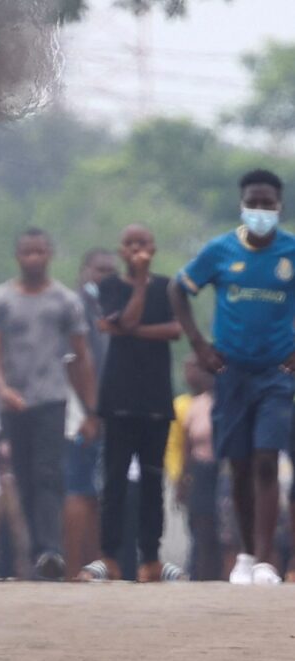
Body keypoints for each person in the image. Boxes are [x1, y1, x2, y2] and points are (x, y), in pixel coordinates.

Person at [169, 169, 295, 585]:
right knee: (239, 464)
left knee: (265, 459)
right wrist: (199, 345)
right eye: (253, 203)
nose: (260, 210)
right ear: (243, 205)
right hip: (232, 374)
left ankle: (265, 559)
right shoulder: (221, 251)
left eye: (268, 203)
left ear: (280, 206)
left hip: (276, 375)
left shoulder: (290, 252)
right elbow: (179, 288)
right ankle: (243, 554)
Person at [0, 228, 99, 580]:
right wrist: (2, 388)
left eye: (40, 252)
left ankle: (51, 549)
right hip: (14, 401)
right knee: (26, 476)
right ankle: (36, 551)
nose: (34, 258)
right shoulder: (0, 300)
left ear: (49, 254)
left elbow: (82, 356)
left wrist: (91, 410)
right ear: (18, 256)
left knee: (49, 472)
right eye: (27, 252)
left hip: (52, 397)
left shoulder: (65, 301)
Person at [79, 224, 181, 582]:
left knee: (153, 481)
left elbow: (175, 330)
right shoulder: (110, 287)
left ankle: (151, 558)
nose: (137, 249)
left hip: (155, 398)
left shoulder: (169, 286)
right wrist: (138, 287)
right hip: (118, 397)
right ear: (121, 251)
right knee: (114, 480)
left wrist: (126, 329)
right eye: (130, 244)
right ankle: (110, 557)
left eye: (143, 243)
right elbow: (126, 316)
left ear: (153, 248)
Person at [64, 248, 118, 578]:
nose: (105, 277)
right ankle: (73, 568)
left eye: (111, 271)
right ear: (84, 270)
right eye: (100, 270)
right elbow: (74, 363)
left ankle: (95, 564)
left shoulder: (109, 309)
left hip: (104, 410)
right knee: (79, 487)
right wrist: (90, 411)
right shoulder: (76, 306)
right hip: (80, 412)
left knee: (98, 491)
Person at [175, 355, 221, 581]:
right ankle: (200, 578)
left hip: (224, 472)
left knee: (223, 532)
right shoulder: (196, 405)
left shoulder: (228, 401)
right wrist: (182, 481)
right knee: (201, 529)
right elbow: (186, 446)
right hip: (200, 472)